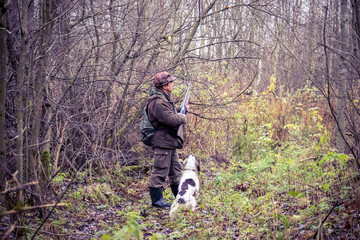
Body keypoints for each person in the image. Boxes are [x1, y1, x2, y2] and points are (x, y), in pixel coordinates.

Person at [146, 71, 189, 208]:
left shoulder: (163, 99)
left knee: (176, 171)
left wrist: (182, 110)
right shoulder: (158, 102)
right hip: (162, 142)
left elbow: (169, 113)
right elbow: (170, 119)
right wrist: (183, 117)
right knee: (160, 171)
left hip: (169, 142)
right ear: (165, 86)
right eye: (171, 82)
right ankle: (157, 202)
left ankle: (181, 198)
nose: (173, 84)